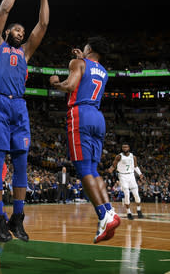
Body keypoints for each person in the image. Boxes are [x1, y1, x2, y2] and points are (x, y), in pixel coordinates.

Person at [0, 0, 50, 242]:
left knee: (22, 164)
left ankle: (17, 218)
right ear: (7, 32)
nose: (21, 32)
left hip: (19, 107)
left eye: (23, 31)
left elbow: (43, 25)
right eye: (17, 29)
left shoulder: (25, 53)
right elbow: (3, 11)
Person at [49, 37, 120, 243]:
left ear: (88, 48)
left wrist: (55, 83)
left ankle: (103, 215)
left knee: (82, 170)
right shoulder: (104, 71)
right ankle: (110, 211)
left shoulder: (77, 63)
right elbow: (89, 74)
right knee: (93, 169)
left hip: (80, 113)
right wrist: (83, 60)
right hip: (98, 117)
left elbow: (70, 86)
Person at [108, 143, 144, 220]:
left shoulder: (133, 156)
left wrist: (140, 174)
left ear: (129, 148)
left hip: (131, 176)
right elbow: (114, 165)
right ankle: (129, 212)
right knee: (127, 194)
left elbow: (135, 166)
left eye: (126, 147)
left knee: (136, 194)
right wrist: (110, 169)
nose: (124, 148)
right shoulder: (119, 156)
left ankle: (139, 210)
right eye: (123, 147)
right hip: (122, 176)